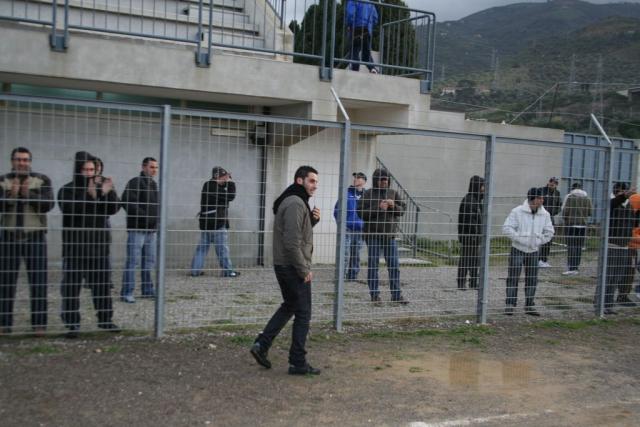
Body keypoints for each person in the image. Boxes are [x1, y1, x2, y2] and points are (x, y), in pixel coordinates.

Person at [250, 166, 321, 375]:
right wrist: (303, 269)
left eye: (316, 182)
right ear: (300, 181)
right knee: (303, 313)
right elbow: (291, 243)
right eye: (311, 181)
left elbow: (296, 234)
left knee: (290, 306)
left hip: (286, 264)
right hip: (292, 266)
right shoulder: (295, 203)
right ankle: (297, 362)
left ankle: (262, 344)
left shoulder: (294, 201)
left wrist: (312, 221)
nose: (315, 186)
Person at [58, 152, 120, 337]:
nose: (89, 173)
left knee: (101, 286)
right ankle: (72, 324)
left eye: (92, 169)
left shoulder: (102, 187)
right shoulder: (67, 189)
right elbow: (70, 209)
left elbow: (114, 208)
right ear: (78, 170)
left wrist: (106, 193)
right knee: (71, 288)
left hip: (98, 246)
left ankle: (105, 319)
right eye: (85, 169)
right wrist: (92, 196)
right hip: (75, 248)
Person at [0, 147, 54, 335]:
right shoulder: (3, 180)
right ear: (12, 161)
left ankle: (39, 325)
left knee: (38, 282)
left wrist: (27, 194)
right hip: (8, 237)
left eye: (25, 160)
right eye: (18, 159)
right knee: (5, 282)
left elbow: (49, 204)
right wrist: (11, 196)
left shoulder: (42, 179)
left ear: (30, 161)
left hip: (35, 236)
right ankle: (4, 323)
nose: (21, 163)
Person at [357, 168, 408, 304]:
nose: (384, 182)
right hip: (373, 236)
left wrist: (393, 206)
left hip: (390, 237)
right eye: (382, 179)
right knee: (373, 266)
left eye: (386, 179)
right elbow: (360, 212)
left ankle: (396, 295)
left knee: (394, 266)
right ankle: (375, 296)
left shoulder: (393, 193)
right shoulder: (368, 194)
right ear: (376, 180)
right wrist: (379, 208)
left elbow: (402, 210)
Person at [502, 188, 554, 316]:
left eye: (542, 198)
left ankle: (529, 305)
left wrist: (538, 241)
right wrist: (520, 239)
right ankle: (510, 304)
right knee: (513, 277)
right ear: (533, 199)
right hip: (517, 249)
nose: (542, 200)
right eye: (540, 198)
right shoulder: (517, 211)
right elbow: (507, 228)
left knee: (532, 279)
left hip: (534, 251)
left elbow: (550, 232)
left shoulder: (545, 214)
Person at [120, 157, 159, 303]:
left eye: (156, 167)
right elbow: (127, 202)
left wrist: (155, 221)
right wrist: (145, 217)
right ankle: (127, 292)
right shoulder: (135, 182)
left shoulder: (153, 184)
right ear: (143, 167)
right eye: (151, 167)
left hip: (151, 230)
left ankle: (147, 290)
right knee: (133, 261)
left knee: (149, 261)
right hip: (137, 229)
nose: (154, 170)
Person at [190, 166, 240, 278]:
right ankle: (228, 271)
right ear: (217, 176)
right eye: (224, 177)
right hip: (217, 223)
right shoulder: (214, 187)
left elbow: (224, 195)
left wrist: (225, 183)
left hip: (206, 224)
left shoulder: (208, 185)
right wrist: (231, 183)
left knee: (202, 249)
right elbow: (231, 196)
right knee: (222, 249)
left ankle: (195, 270)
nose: (226, 179)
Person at [600, 183, 638, 314]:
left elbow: (633, 223)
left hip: (624, 246)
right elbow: (613, 203)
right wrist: (623, 196)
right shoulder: (611, 203)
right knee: (608, 276)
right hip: (611, 245)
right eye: (623, 192)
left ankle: (608, 305)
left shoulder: (629, 206)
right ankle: (601, 304)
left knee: (616, 277)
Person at [333, 172, 366, 281]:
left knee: (356, 254)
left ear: (364, 181)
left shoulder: (367, 196)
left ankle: (352, 276)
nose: (356, 179)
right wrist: (342, 224)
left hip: (360, 229)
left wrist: (366, 225)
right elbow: (337, 210)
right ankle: (340, 277)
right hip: (347, 229)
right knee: (344, 253)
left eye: (359, 177)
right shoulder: (346, 193)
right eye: (355, 177)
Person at [457, 176, 485, 290]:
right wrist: (475, 234)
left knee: (474, 260)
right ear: (477, 186)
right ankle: (461, 282)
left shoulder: (476, 200)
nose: (484, 188)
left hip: (475, 236)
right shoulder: (469, 201)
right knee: (466, 259)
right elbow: (470, 220)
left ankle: (473, 282)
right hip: (469, 236)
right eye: (482, 186)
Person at [561, 182, 592, 276]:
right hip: (582, 226)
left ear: (572, 188)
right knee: (578, 247)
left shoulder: (570, 197)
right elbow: (590, 212)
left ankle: (571, 267)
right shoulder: (587, 198)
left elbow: (565, 211)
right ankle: (576, 267)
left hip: (571, 225)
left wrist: (565, 219)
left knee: (571, 246)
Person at [345, 0, 379, 73]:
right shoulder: (370, 3)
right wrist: (370, 26)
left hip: (355, 29)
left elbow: (350, 14)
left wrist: (348, 24)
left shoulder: (353, 1)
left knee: (354, 50)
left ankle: (355, 69)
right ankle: (372, 68)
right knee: (366, 52)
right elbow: (375, 18)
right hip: (366, 30)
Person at [539, 177, 561, 267]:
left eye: (555, 183)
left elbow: (559, 205)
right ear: (548, 182)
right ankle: (536, 259)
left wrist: (554, 212)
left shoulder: (557, 193)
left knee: (548, 238)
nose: (552, 183)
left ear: (556, 185)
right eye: (551, 181)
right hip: (540, 217)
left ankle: (544, 259)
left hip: (550, 218)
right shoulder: (541, 191)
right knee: (538, 237)